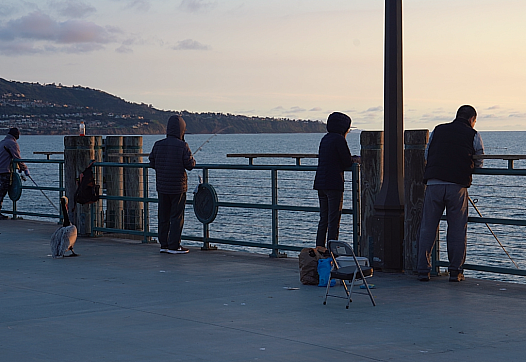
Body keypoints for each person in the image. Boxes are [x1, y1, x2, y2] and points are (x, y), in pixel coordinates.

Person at [417, 105, 484, 282]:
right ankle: (455, 271)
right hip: (457, 186)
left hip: (434, 183)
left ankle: (423, 269)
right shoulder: (473, 134)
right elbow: (480, 159)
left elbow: (427, 153)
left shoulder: (439, 130)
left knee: (428, 227)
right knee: (456, 230)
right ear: (472, 119)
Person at [149, 115, 196, 254]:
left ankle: (164, 244)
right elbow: (190, 165)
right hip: (177, 187)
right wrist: (192, 159)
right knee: (176, 216)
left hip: (162, 186)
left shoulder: (158, 144)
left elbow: (152, 162)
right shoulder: (183, 145)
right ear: (182, 130)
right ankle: (174, 245)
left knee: (163, 216)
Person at [313, 112, 360, 248]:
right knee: (334, 220)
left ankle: (319, 250)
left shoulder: (325, 138)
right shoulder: (339, 140)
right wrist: (356, 159)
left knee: (324, 220)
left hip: (320, 183)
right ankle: (331, 252)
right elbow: (346, 161)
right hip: (333, 183)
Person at [0, 128, 29, 219]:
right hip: (5, 171)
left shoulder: (2, 142)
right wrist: (25, 168)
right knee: (1, 193)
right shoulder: (13, 144)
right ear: (16, 135)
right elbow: (17, 157)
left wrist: (18, 167)